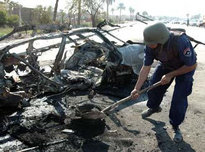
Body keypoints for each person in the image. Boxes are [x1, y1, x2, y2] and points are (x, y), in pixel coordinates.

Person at [131, 22, 197, 143]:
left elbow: (192, 65)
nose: (149, 46)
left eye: (152, 44)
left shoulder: (180, 41)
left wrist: (170, 75)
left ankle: (176, 126)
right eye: (148, 43)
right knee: (153, 87)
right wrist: (137, 88)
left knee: (179, 98)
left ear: (161, 40)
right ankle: (154, 107)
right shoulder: (150, 44)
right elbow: (146, 67)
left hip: (185, 68)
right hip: (167, 65)